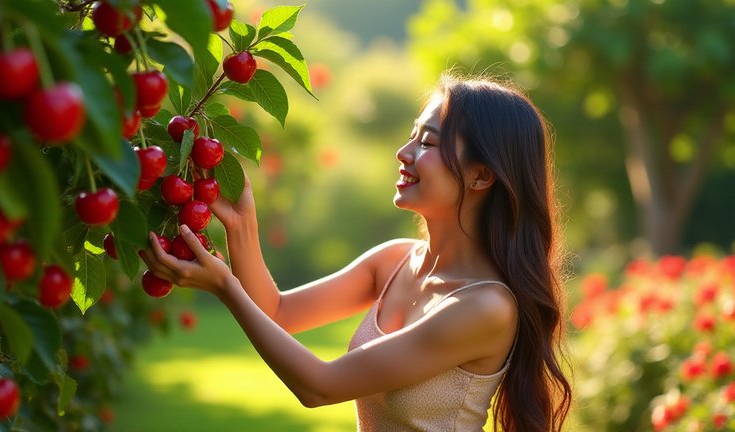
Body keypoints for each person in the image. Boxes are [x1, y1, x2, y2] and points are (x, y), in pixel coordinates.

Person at [140, 73, 573, 431]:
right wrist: (240, 225)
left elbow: (320, 387)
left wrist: (224, 287)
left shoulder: (485, 307)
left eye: (428, 143)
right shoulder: (395, 261)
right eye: (411, 137)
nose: (404, 154)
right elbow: (277, 312)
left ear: (481, 176)